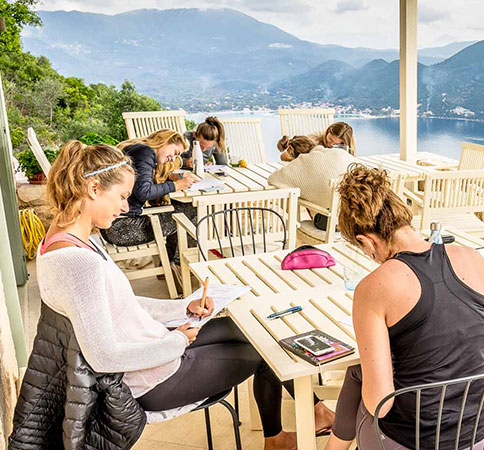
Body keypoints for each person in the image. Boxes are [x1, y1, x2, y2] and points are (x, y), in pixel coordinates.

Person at [36, 141, 335, 450]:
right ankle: (278, 440)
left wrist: (183, 307)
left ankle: (314, 413)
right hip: (152, 378)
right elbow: (104, 357)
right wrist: (177, 340)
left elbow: (120, 304)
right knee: (265, 352)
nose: (126, 207)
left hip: (153, 347)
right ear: (94, 187)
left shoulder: (69, 239)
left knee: (258, 328)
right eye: (123, 196)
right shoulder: (76, 262)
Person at [323, 165, 484, 450]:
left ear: (366, 241)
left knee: (358, 379)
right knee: (358, 376)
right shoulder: (472, 258)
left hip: (415, 441)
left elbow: (379, 405)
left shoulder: (373, 288)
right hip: (482, 436)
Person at [98, 129, 196, 263]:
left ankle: (170, 262)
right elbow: (143, 192)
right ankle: (178, 263)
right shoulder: (145, 152)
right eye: (175, 152)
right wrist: (176, 186)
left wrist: (172, 179)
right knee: (191, 209)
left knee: (177, 210)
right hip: (125, 227)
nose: (173, 158)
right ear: (165, 141)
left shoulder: (137, 149)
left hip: (113, 226)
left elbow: (139, 185)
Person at [267, 145, 357, 232]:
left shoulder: (302, 163)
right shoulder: (340, 152)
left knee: (302, 196)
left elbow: (272, 179)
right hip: (357, 216)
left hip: (334, 222)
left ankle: (294, 232)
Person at [278, 121, 355, 162]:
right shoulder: (314, 140)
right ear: (328, 131)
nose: (331, 144)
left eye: (335, 144)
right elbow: (283, 156)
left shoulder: (344, 148)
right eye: (330, 139)